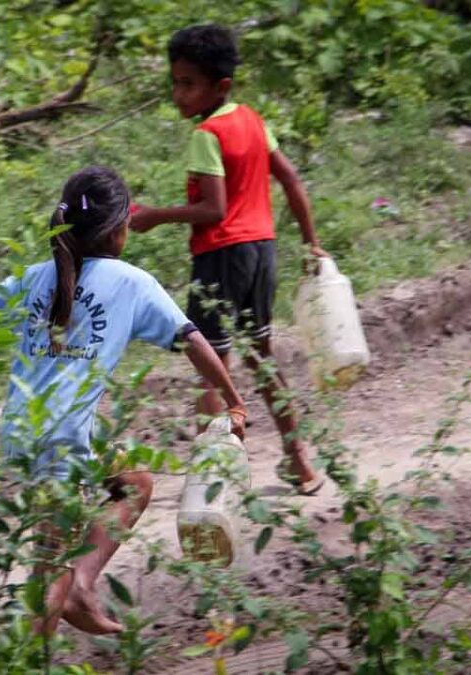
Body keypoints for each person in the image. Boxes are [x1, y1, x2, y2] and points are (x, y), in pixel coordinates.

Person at [0, 166, 247, 636]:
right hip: (66, 438)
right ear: (120, 229)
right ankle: (30, 654)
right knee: (47, 571)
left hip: (23, 428)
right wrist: (235, 401)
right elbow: (193, 341)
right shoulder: (132, 283)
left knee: (133, 481)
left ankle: (82, 586)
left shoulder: (36, 276)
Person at [130, 24, 327, 495]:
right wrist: (311, 242)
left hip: (221, 257)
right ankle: (299, 461)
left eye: (188, 84)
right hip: (262, 251)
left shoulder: (207, 133)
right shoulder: (254, 120)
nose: (178, 94)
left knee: (210, 368)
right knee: (262, 357)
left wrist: (155, 216)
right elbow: (293, 180)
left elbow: (213, 210)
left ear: (220, 86)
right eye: (175, 82)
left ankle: (211, 483)